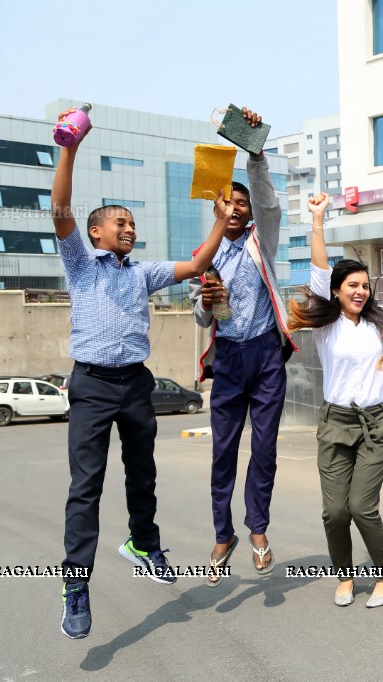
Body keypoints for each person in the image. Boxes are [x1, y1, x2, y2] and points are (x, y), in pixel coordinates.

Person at [52, 109, 231, 638]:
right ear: (96, 232)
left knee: (142, 474)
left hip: (135, 383)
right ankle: (75, 587)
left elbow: (197, 267)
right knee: (86, 486)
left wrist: (220, 220)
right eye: (120, 222)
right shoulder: (81, 265)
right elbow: (59, 207)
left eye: (133, 223)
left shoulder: (144, 273)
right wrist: (70, 148)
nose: (130, 228)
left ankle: (144, 544)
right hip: (90, 383)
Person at [288, 193, 383, 608]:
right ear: (335, 290)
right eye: (353, 285)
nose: (361, 292)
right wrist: (318, 220)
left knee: (362, 507)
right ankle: (345, 577)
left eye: (366, 286)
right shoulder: (326, 324)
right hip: (336, 423)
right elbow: (318, 267)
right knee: (335, 513)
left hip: (375, 423)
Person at [187, 107, 296, 585]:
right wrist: (210, 303)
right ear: (216, 209)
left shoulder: (261, 241)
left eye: (242, 204)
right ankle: (222, 533)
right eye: (227, 204)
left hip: (268, 354)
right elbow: (201, 317)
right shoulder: (203, 258)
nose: (235, 209)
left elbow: (270, 204)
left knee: (266, 448)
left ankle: (257, 529)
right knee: (224, 451)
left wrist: (255, 152)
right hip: (229, 357)